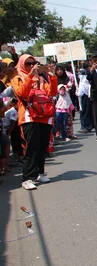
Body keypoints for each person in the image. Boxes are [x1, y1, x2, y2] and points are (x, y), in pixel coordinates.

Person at [12, 54, 58, 190]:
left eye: (34, 63)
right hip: (28, 118)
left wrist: (52, 77)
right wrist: (30, 76)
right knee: (30, 148)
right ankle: (27, 178)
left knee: (42, 147)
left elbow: (52, 92)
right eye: (28, 64)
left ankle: (39, 173)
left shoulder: (41, 79)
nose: (32, 66)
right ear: (22, 65)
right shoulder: (18, 78)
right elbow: (22, 93)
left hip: (44, 117)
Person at [77, 65, 94, 133]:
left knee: (85, 112)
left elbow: (80, 93)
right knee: (87, 112)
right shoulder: (83, 82)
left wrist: (77, 93)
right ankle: (87, 125)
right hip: (85, 98)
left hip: (85, 98)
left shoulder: (84, 83)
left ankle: (85, 126)